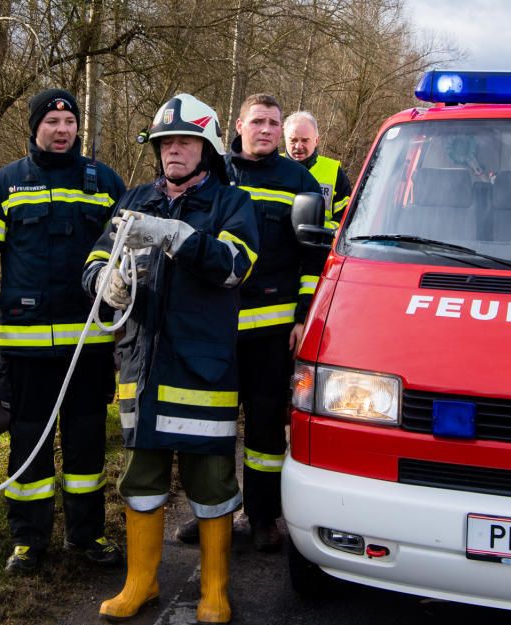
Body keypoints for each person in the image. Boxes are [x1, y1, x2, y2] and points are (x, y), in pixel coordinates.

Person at [85, 94, 258, 624]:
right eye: (165, 143)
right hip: (141, 365)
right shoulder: (135, 199)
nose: (172, 151)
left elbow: (234, 265)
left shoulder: (231, 203)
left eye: (184, 142)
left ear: (207, 149)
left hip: (202, 371)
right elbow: (96, 257)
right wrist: (105, 281)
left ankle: (214, 589)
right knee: (140, 480)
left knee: (211, 483)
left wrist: (177, 237)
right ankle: (141, 583)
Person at [0, 88, 127, 573]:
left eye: (69, 122)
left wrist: (126, 321)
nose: (62, 130)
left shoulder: (104, 183)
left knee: (86, 445)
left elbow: (129, 255)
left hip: (88, 348)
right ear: (35, 128)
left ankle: (87, 536)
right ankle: (28, 542)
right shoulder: (5, 185)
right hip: (26, 349)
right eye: (52, 122)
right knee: (28, 447)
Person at [175, 93, 322, 552]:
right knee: (209, 425)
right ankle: (210, 512)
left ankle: (262, 517)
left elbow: (313, 258)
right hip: (213, 326)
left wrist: (302, 316)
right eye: (258, 121)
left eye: (274, 124)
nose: (267, 130)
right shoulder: (213, 173)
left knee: (264, 429)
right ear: (238, 125)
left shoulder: (300, 180)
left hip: (271, 330)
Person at [282, 111, 353, 229]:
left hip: (321, 240)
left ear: (316, 141)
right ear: (285, 139)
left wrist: (318, 230)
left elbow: (346, 219)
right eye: (293, 140)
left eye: (305, 140)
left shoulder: (334, 172)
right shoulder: (272, 168)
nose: (298, 146)